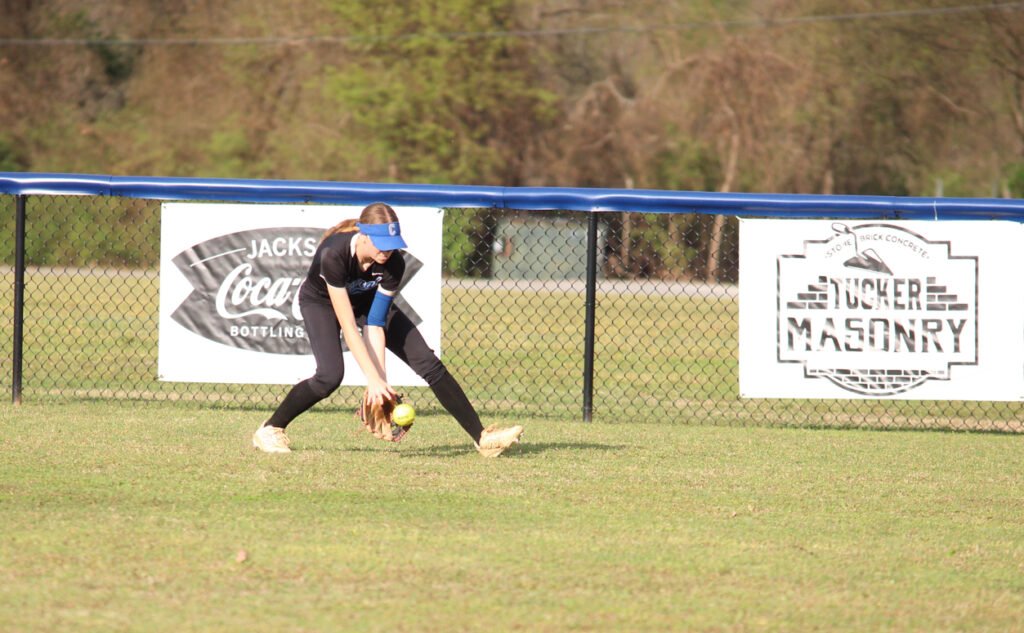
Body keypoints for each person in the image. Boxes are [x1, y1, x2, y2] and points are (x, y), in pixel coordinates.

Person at [252, 202, 523, 457]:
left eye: (392, 244)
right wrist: (372, 380)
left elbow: (375, 322)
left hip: (366, 304)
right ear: (363, 235)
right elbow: (348, 324)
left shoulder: (394, 264)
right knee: (329, 376)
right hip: (321, 304)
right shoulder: (332, 254)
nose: (387, 251)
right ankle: (271, 429)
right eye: (381, 244)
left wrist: (381, 385)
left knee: (428, 363)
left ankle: (482, 438)